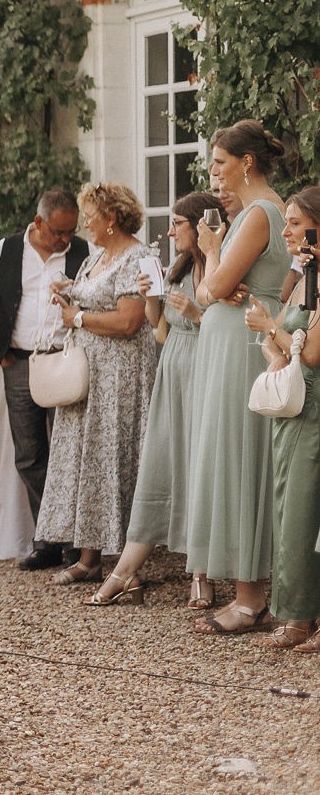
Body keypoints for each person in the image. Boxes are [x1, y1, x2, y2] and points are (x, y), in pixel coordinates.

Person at [86, 192, 222, 608]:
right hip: (173, 369)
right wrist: (151, 295)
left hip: (206, 369)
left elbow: (228, 327)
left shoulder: (220, 268)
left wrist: (199, 315)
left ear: (199, 225)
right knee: (161, 465)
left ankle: (201, 573)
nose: (169, 230)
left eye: (177, 223)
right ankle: (126, 572)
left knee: (199, 466)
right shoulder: (179, 268)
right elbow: (159, 329)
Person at [184, 120, 291, 635]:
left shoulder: (259, 214)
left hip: (243, 346)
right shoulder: (264, 213)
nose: (215, 177)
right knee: (235, 456)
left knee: (241, 458)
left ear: (246, 163)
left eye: (219, 166)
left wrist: (210, 251)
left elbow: (213, 289)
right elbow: (215, 291)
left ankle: (250, 599)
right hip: (235, 342)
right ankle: (250, 592)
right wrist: (218, 279)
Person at [34, 183, 158, 586]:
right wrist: (68, 290)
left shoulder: (137, 256)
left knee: (113, 459)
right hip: (90, 375)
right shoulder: (98, 257)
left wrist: (79, 318)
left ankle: (125, 563)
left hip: (120, 378)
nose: (85, 222)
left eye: (90, 214)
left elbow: (129, 320)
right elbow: (90, 296)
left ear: (112, 217)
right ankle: (88, 558)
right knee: (88, 461)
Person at [0, 188, 91, 571]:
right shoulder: (6, 250)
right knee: (29, 455)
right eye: (59, 232)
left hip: (66, 359)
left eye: (70, 232)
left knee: (68, 452)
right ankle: (48, 538)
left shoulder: (83, 253)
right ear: (39, 222)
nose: (66, 239)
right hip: (20, 362)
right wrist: (0, 353)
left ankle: (76, 544)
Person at [241, 186, 320, 649]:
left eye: (294, 223)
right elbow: (285, 350)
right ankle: (294, 614)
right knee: (286, 506)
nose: (286, 231)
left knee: (305, 512)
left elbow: (310, 352)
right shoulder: (305, 276)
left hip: (314, 410)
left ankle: (304, 615)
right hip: (292, 409)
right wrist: (270, 331)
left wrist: (271, 326)